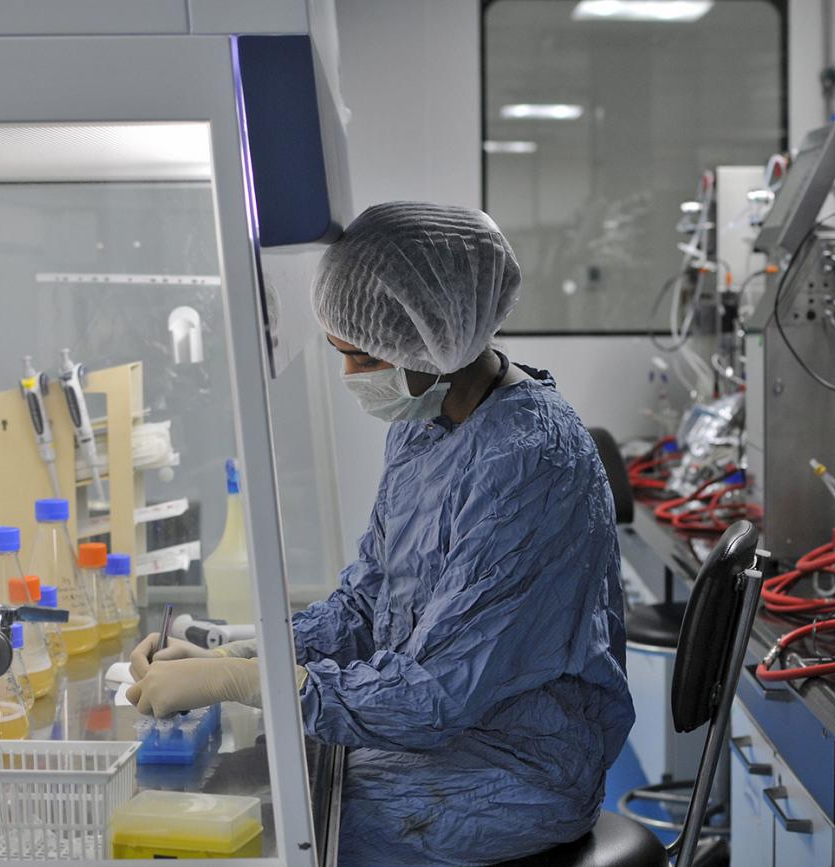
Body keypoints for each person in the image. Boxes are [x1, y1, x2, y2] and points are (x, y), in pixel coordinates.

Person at [127, 202, 634, 865]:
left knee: (286, 830)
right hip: (446, 737)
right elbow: (367, 602)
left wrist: (248, 682)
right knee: (272, 791)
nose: (349, 377)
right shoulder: (423, 425)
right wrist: (237, 645)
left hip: (520, 769)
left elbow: (435, 695)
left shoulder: (527, 462)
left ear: (437, 340)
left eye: (362, 356)